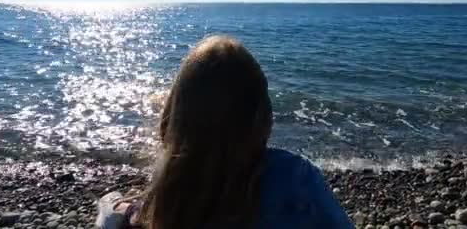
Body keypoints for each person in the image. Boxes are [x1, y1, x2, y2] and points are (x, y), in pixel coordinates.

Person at [96, 35, 354, 229]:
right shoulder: (294, 175)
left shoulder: (174, 180)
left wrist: (123, 212)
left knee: (112, 210)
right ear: (260, 112)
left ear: (175, 114)